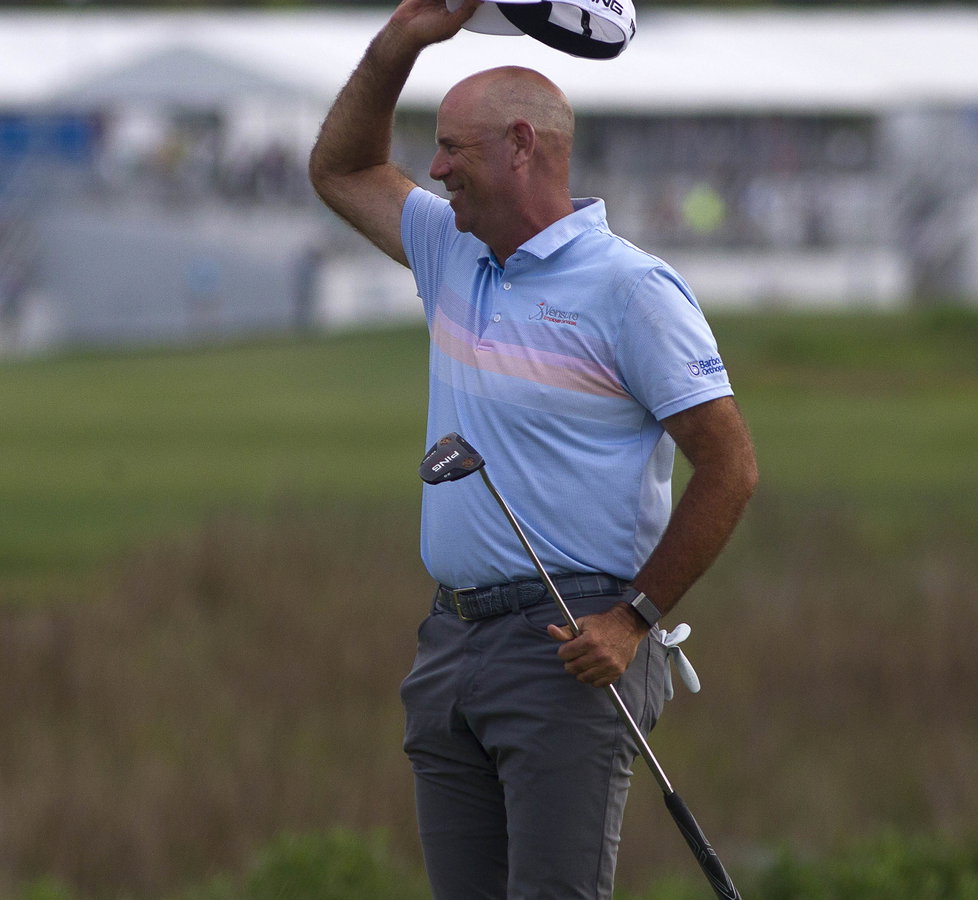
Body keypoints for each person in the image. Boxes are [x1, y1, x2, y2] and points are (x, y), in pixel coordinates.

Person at [307, 1, 760, 897]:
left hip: (569, 645)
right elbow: (340, 167)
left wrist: (633, 620)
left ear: (522, 145)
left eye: (453, 150)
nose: (433, 170)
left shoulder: (631, 290)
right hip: (451, 642)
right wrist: (408, 33)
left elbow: (731, 466)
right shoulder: (450, 249)